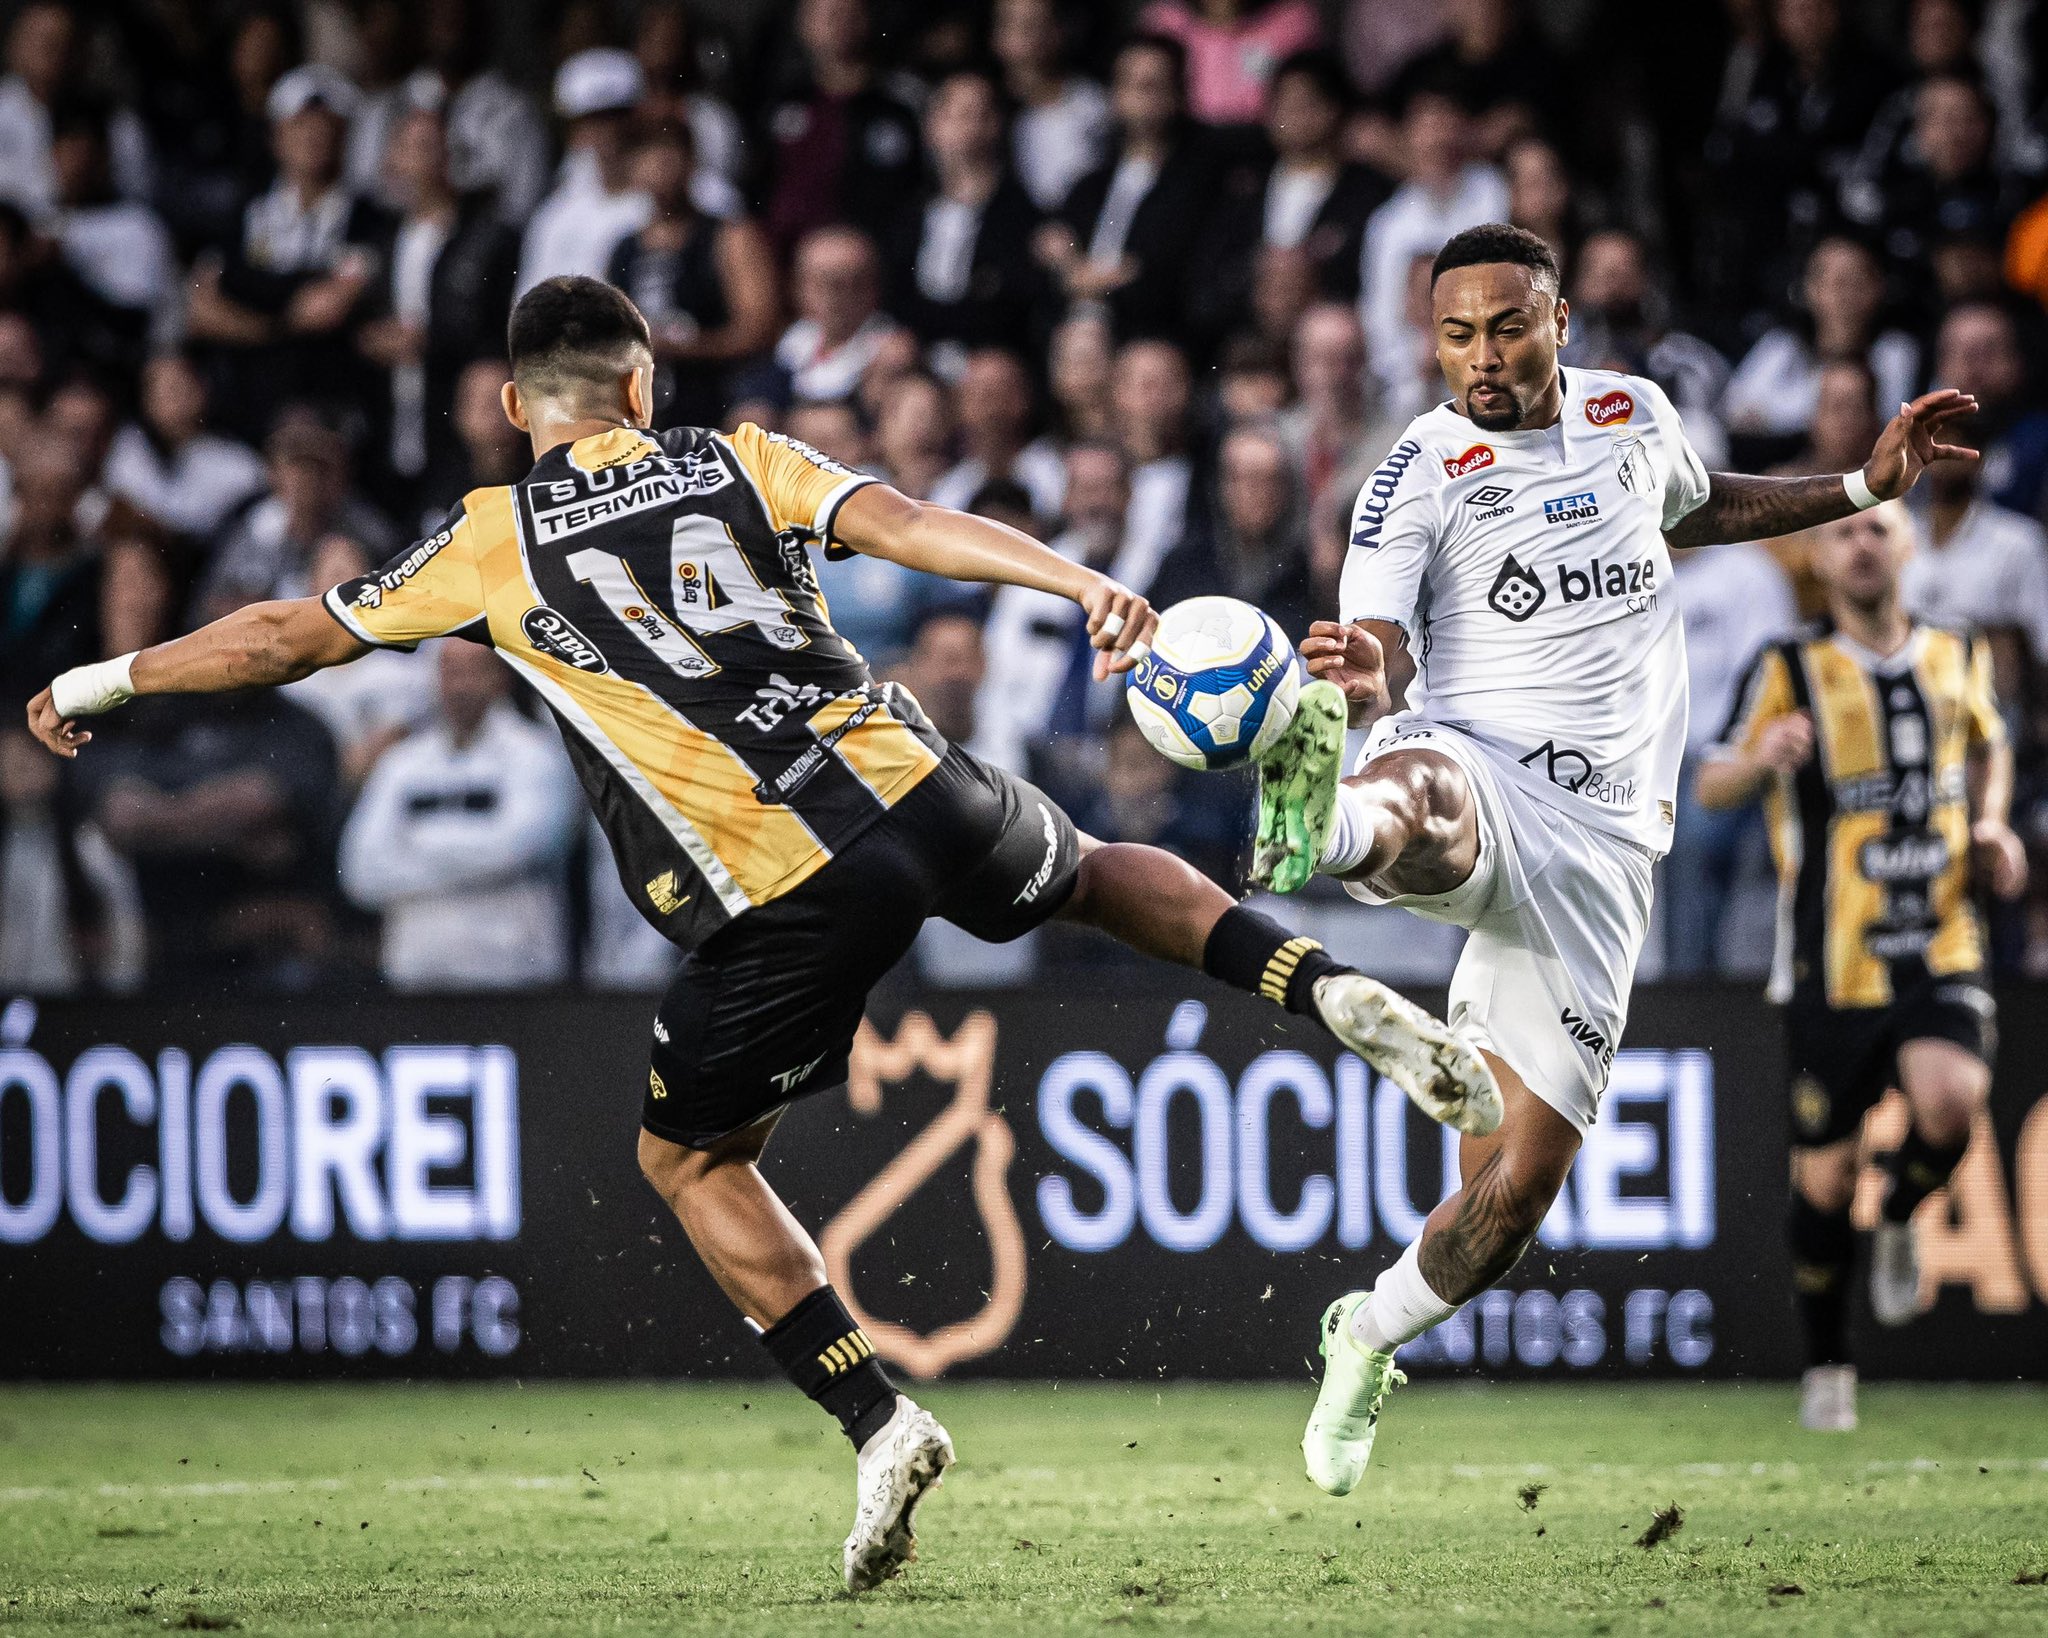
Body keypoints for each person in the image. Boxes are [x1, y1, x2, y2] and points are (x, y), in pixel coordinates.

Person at [28, 273, 1491, 1594]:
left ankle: (879, 1418)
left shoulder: (489, 539)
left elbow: (286, 635)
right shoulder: (737, 457)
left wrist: (107, 678)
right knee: (1098, 871)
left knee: (688, 1157)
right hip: (914, 779)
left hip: (781, 878)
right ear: (642, 384)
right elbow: (907, 523)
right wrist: (1077, 580)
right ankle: (1322, 983)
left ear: (513, 408)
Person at [1248, 223, 1983, 1493]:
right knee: (1421, 796)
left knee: (1508, 1198)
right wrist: (1367, 680)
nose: (1481, 357)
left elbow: (1701, 505)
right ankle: (1324, 827)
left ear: (1557, 322)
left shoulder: (1632, 415)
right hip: (1481, 764)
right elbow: (1378, 641)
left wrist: (1861, 488)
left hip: (1605, 849)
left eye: (1505, 328)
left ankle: (1363, 1336)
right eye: (1455, 336)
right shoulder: (1415, 470)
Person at [1696, 502, 2027, 1432]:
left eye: (1879, 529)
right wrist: (1761, 759)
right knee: (1825, 1182)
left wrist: (1992, 826)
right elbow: (1711, 783)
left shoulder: (1957, 652)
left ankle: (1904, 1211)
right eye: (1844, 532)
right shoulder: (1787, 666)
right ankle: (1828, 1366)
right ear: (1818, 555)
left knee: (1953, 1102)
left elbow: (1991, 745)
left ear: (1907, 546)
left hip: (1942, 939)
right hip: (1828, 963)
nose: (1862, 544)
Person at [339, 638, 578, 990]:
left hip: (514, 978)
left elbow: (526, 847)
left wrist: (418, 845)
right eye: (450, 671)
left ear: (501, 677)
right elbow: (360, 873)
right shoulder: (401, 763)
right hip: (417, 979)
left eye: (474, 671)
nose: (460, 685)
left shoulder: (537, 753)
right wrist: (478, 850)